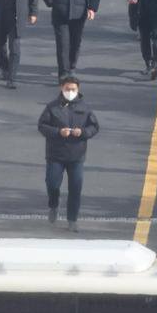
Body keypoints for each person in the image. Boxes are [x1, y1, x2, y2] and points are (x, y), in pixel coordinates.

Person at [38, 76, 98, 225]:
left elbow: (94, 127)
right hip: (55, 154)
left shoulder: (85, 108)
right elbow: (42, 126)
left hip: (76, 155)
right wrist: (58, 132)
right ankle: (54, 204)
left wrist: (83, 132)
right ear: (62, 88)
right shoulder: (52, 107)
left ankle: (72, 220)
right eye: (67, 89)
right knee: (52, 183)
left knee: (75, 188)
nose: (70, 92)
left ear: (78, 89)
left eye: (73, 89)